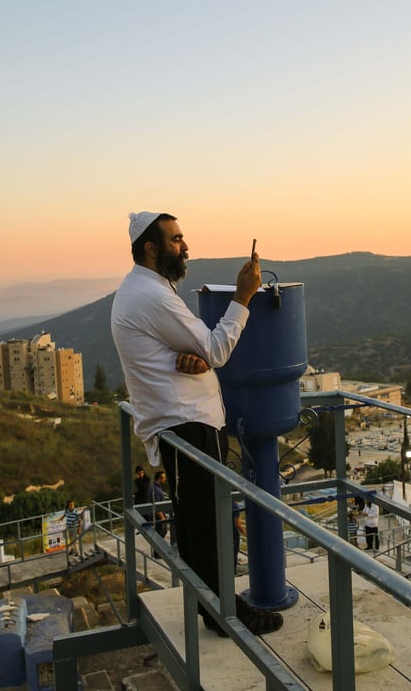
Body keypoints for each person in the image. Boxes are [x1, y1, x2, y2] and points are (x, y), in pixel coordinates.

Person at [110, 211, 282, 637]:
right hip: (188, 426)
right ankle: (227, 616)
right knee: (209, 527)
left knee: (198, 523)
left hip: (184, 423)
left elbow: (192, 350)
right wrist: (243, 297)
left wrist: (195, 357)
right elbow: (217, 348)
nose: (186, 247)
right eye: (176, 240)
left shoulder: (145, 290)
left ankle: (212, 607)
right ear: (150, 248)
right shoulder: (153, 296)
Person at [151, 470, 169, 540]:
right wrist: (162, 518)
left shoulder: (157, 488)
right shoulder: (156, 490)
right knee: (161, 534)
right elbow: (156, 504)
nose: (165, 479)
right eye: (164, 478)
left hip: (161, 516)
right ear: (159, 479)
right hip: (159, 518)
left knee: (162, 533)